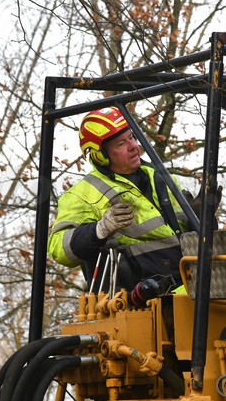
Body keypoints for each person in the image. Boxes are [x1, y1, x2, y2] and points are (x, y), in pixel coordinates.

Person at [48, 106, 202, 293]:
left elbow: (185, 233)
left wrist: (200, 217)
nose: (133, 147)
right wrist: (99, 230)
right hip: (148, 291)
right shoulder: (81, 194)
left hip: (189, 275)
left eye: (132, 137)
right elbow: (58, 249)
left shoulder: (160, 177)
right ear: (100, 155)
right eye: (121, 144)